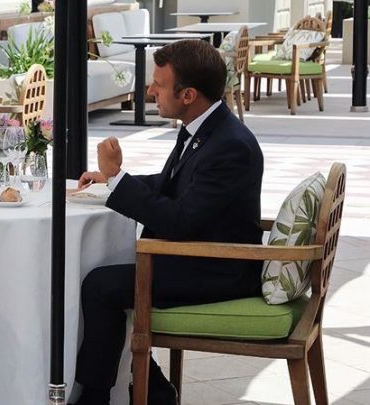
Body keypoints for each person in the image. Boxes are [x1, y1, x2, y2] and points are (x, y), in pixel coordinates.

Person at [72, 40, 264, 405]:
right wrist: (111, 180)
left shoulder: (230, 146)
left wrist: (118, 178)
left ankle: (96, 397)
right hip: (201, 257)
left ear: (188, 95)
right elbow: (171, 184)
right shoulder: (206, 127)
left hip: (220, 268)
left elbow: (179, 221)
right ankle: (154, 389)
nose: (149, 91)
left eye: (159, 85)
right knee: (106, 275)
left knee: (100, 286)